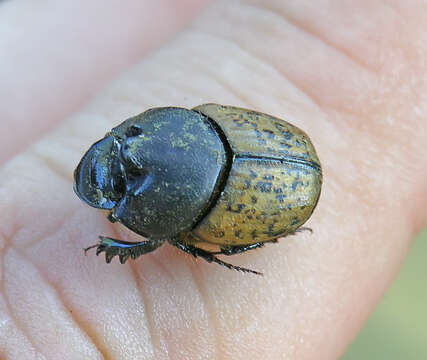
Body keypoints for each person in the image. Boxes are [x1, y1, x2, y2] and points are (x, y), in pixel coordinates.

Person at [0, 1, 425, 359]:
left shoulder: (193, 203)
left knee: (182, 243)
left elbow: (155, 239)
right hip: (224, 144)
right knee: (179, 238)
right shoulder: (188, 130)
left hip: (252, 179)